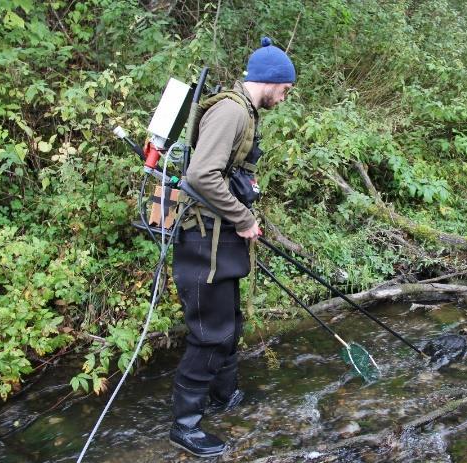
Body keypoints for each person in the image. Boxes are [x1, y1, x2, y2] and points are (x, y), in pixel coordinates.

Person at [169, 37, 295, 458]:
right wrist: (244, 218)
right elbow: (202, 176)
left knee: (229, 325)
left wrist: (242, 220)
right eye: (286, 87)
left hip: (217, 241)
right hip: (201, 243)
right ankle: (184, 427)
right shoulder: (231, 111)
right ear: (271, 80)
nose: (286, 95)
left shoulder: (246, 110)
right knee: (210, 334)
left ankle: (225, 397)